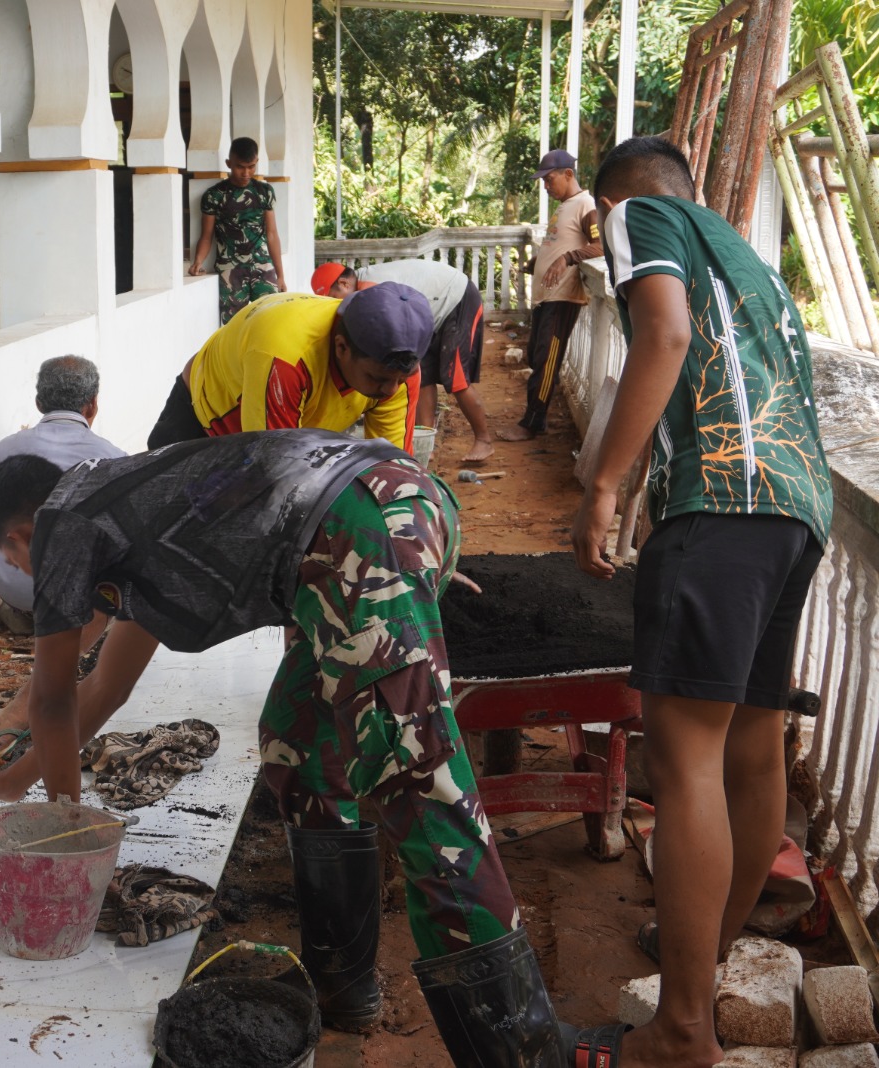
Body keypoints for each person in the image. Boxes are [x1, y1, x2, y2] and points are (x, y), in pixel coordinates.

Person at [0, 432, 592, 1063]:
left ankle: (524, 1051)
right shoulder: (127, 517)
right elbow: (105, 689)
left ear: (17, 540)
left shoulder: (60, 523)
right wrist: (19, 781)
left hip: (359, 528)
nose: (33, 574)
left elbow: (51, 700)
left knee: (420, 786)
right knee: (296, 742)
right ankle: (342, 985)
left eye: (18, 567)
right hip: (370, 518)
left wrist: (66, 822)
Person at [569, 136, 832, 1068]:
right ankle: (702, 964)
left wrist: (602, 487)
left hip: (723, 503)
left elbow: (667, 337)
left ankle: (682, 1031)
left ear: (619, 201)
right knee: (753, 751)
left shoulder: (641, 214)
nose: (605, 247)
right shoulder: (749, 256)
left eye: (602, 228)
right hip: (798, 511)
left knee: (684, 762)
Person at [0, 355, 125, 758]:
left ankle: (27, 611)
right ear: (92, 404)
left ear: (39, 402)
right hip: (78, 601)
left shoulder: (7, 448)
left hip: (17, 587)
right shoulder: (111, 455)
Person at [144, 285, 428, 453]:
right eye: (377, 379)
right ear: (341, 347)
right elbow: (274, 467)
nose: (390, 390)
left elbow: (392, 461)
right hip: (207, 414)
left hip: (294, 426)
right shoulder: (285, 358)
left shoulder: (399, 372)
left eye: (400, 380)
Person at [313, 260, 494, 463]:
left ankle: (483, 440)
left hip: (456, 298)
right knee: (418, 374)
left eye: (333, 299)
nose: (335, 308)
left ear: (345, 284)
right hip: (425, 318)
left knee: (456, 378)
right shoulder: (365, 293)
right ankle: (427, 443)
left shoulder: (373, 292)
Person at [495, 149, 603, 443]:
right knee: (537, 355)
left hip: (563, 299)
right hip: (546, 297)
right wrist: (537, 262)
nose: (545, 186)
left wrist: (567, 258)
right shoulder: (566, 204)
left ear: (568, 174)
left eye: (549, 179)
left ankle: (532, 422)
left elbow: (601, 245)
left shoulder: (586, 205)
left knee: (546, 360)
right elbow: (561, 239)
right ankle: (535, 419)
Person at [188, 137, 286, 323]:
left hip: (263, 267)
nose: (246, 173)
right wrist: (197, 261)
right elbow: (206, 236)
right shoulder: (214, 196)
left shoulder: (265, 192)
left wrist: (280, 275)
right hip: (230, 270)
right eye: (240, 167)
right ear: (229, 164)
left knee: (270, 322)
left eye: (251, 166)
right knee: (233, 328)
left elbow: (272, 234)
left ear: (256, 162)